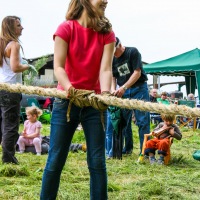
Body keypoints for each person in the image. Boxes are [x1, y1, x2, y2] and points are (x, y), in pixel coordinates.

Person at [40, 0, 115, 199]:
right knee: (55, 159)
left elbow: (106, 69)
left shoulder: (107, 34)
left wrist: (105, 95)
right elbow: (58, 67)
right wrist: (71, 89)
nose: (106, 1)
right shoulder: (65, 29)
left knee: (97, 161)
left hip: (94, 103)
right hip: (66, 101)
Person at [0, 16, 35, 164]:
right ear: (10, 28)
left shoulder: (2, 45)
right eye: (18, 25)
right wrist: (27, 66)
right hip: (11, 90)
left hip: (2, 87)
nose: (22, 28)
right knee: (10, 126)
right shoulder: (14, 45)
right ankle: (8, 159)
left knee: (2, 124)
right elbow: (15, 67)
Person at [112, 37, 150, 154]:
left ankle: (145, 151)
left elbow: (137, 72)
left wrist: (124, 87)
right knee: (123, 121)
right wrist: (114, 89)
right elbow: (113, 76)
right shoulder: (112, 59)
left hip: (139, 89)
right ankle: (126, 149)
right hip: (122, 92)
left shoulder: (132, 52)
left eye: (114, 51)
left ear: (119, 45)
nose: (113, 54)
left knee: (142, 121)